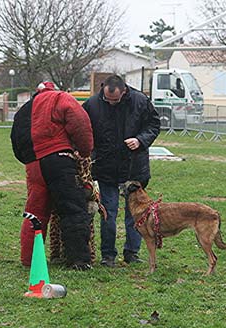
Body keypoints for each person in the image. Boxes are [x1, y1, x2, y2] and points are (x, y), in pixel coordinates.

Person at [10, 81, 94, 271]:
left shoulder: (23, 111)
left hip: (33, 165)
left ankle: (29, 259)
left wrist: (29, 160)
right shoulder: (60, 97)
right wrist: (85, 151)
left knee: (35, 211)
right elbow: (80, 123)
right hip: (59, 159)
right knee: (73, 208)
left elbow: (16, 142)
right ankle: (79, 259)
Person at [82, 74, 160, 267]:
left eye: (115, 100)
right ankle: (108, 255)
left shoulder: (140, 101)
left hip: (135, 167)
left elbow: (153, 124)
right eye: (108, 100)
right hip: (106, 167)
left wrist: (140, 140)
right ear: (103, 90)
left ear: (124, 91)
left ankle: (132, 252)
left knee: (136, 214)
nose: (112, 103)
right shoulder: (92, 105)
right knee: (108, 212)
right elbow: (83, 130)